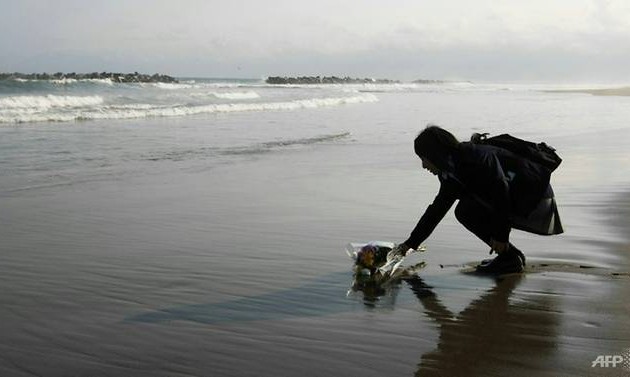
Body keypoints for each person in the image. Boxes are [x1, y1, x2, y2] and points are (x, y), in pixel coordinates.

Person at [389, 125, 564, 274]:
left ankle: (509, 258)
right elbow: (437, 210)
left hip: (535, 197)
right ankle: (510, 257)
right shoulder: (452, 172)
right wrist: (409, 245)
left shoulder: (476, 159)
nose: (423, 165)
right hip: (520, 197)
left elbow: (501, 193)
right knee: (464, 211)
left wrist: (500, 236)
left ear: (434, 154)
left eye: (423, 159)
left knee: (466, 212)